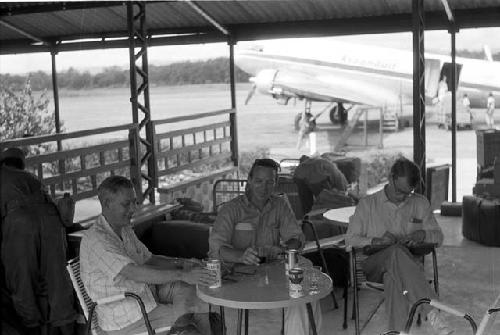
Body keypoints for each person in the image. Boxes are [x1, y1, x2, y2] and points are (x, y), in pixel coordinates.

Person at [79, 176, 217, 333]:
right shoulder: (97, 240)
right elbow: (135, 273)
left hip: (145, 297)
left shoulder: (124, 229)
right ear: (106, 204)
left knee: (196, 299)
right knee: (191, 320)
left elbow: (149, 259)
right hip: (126, 316)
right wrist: (182, 274)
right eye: (126, 204)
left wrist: (183, 263)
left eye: (135, 202)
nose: (133, 209)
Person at [208, 158, 321, 335]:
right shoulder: (232, 209)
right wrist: (240, 256)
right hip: (238, 274)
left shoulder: (280, 205)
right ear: (250, 181)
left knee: (305, 294)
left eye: (270, 182)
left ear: (276, 183)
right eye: (259, 181)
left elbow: (296, 237)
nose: (264, 187)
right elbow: (216, 247)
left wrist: (287, 250)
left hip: (272, 269)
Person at [346, 157, 453, 334]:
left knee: (393, 277)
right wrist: (375, 241)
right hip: (374, 266)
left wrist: (423, 234)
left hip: (404, 271)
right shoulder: (368, 205)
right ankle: (432, 311)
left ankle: (398, 332)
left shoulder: (419, 203)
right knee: (395, 252)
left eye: (408, 193)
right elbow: (350, 240)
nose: (403, 197)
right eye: (400, 191)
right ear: (390, 178)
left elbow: (439, 237)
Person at [0, 147, 77, 335]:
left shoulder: (2, 176)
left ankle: (32, 327)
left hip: (20, 221)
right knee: (58, 278)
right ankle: (68, 329)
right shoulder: (30, 177)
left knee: (22, 280)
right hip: (51, 217)